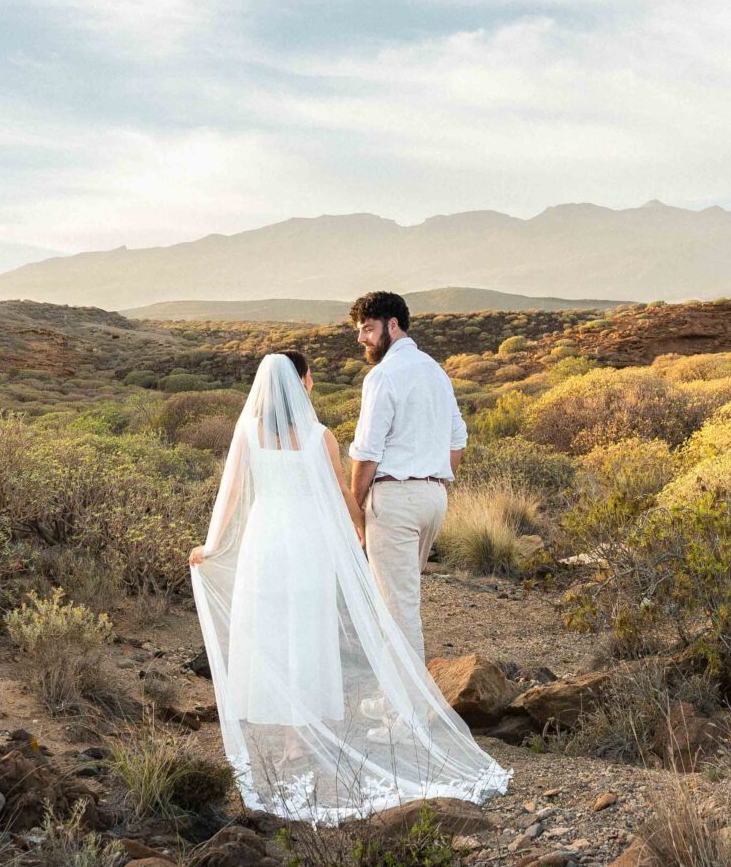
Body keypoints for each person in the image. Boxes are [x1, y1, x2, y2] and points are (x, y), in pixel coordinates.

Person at [185, 352, 507, 822]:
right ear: (303, 384)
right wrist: (359, 529)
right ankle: (301, 739)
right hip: (307, 542)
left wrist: (211, 546)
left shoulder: (248, 433)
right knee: (308, 631)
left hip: (265, 540)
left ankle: (287, 734)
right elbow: (338, 492)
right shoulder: (320, 436)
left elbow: (230, 493)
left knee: (272, 632)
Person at [345, 290, 467, 662]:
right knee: (401, 598)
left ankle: (406, 714)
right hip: (433, 500)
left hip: (394, 501)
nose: (361, 338)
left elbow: (366, 453)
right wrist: (433, 480)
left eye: (367, 329)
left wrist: (358, 511)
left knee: (397, 610)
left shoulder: (383, 376)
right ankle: (393, 702)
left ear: (392, 325)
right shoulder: (436, 371)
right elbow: (458, 439)